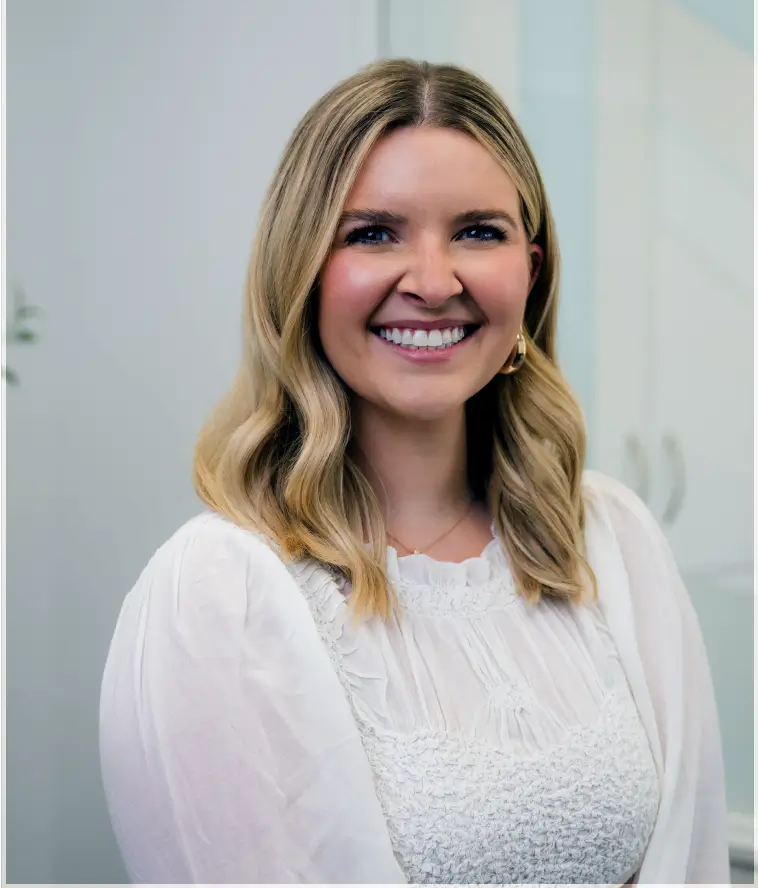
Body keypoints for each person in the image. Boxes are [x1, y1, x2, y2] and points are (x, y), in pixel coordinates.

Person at [99, 59, 729, 885]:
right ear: (302, 272)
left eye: (478, 231)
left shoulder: (611, 538)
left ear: (530, 272)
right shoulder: (219, 594)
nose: (434, 283)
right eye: (372, 234)